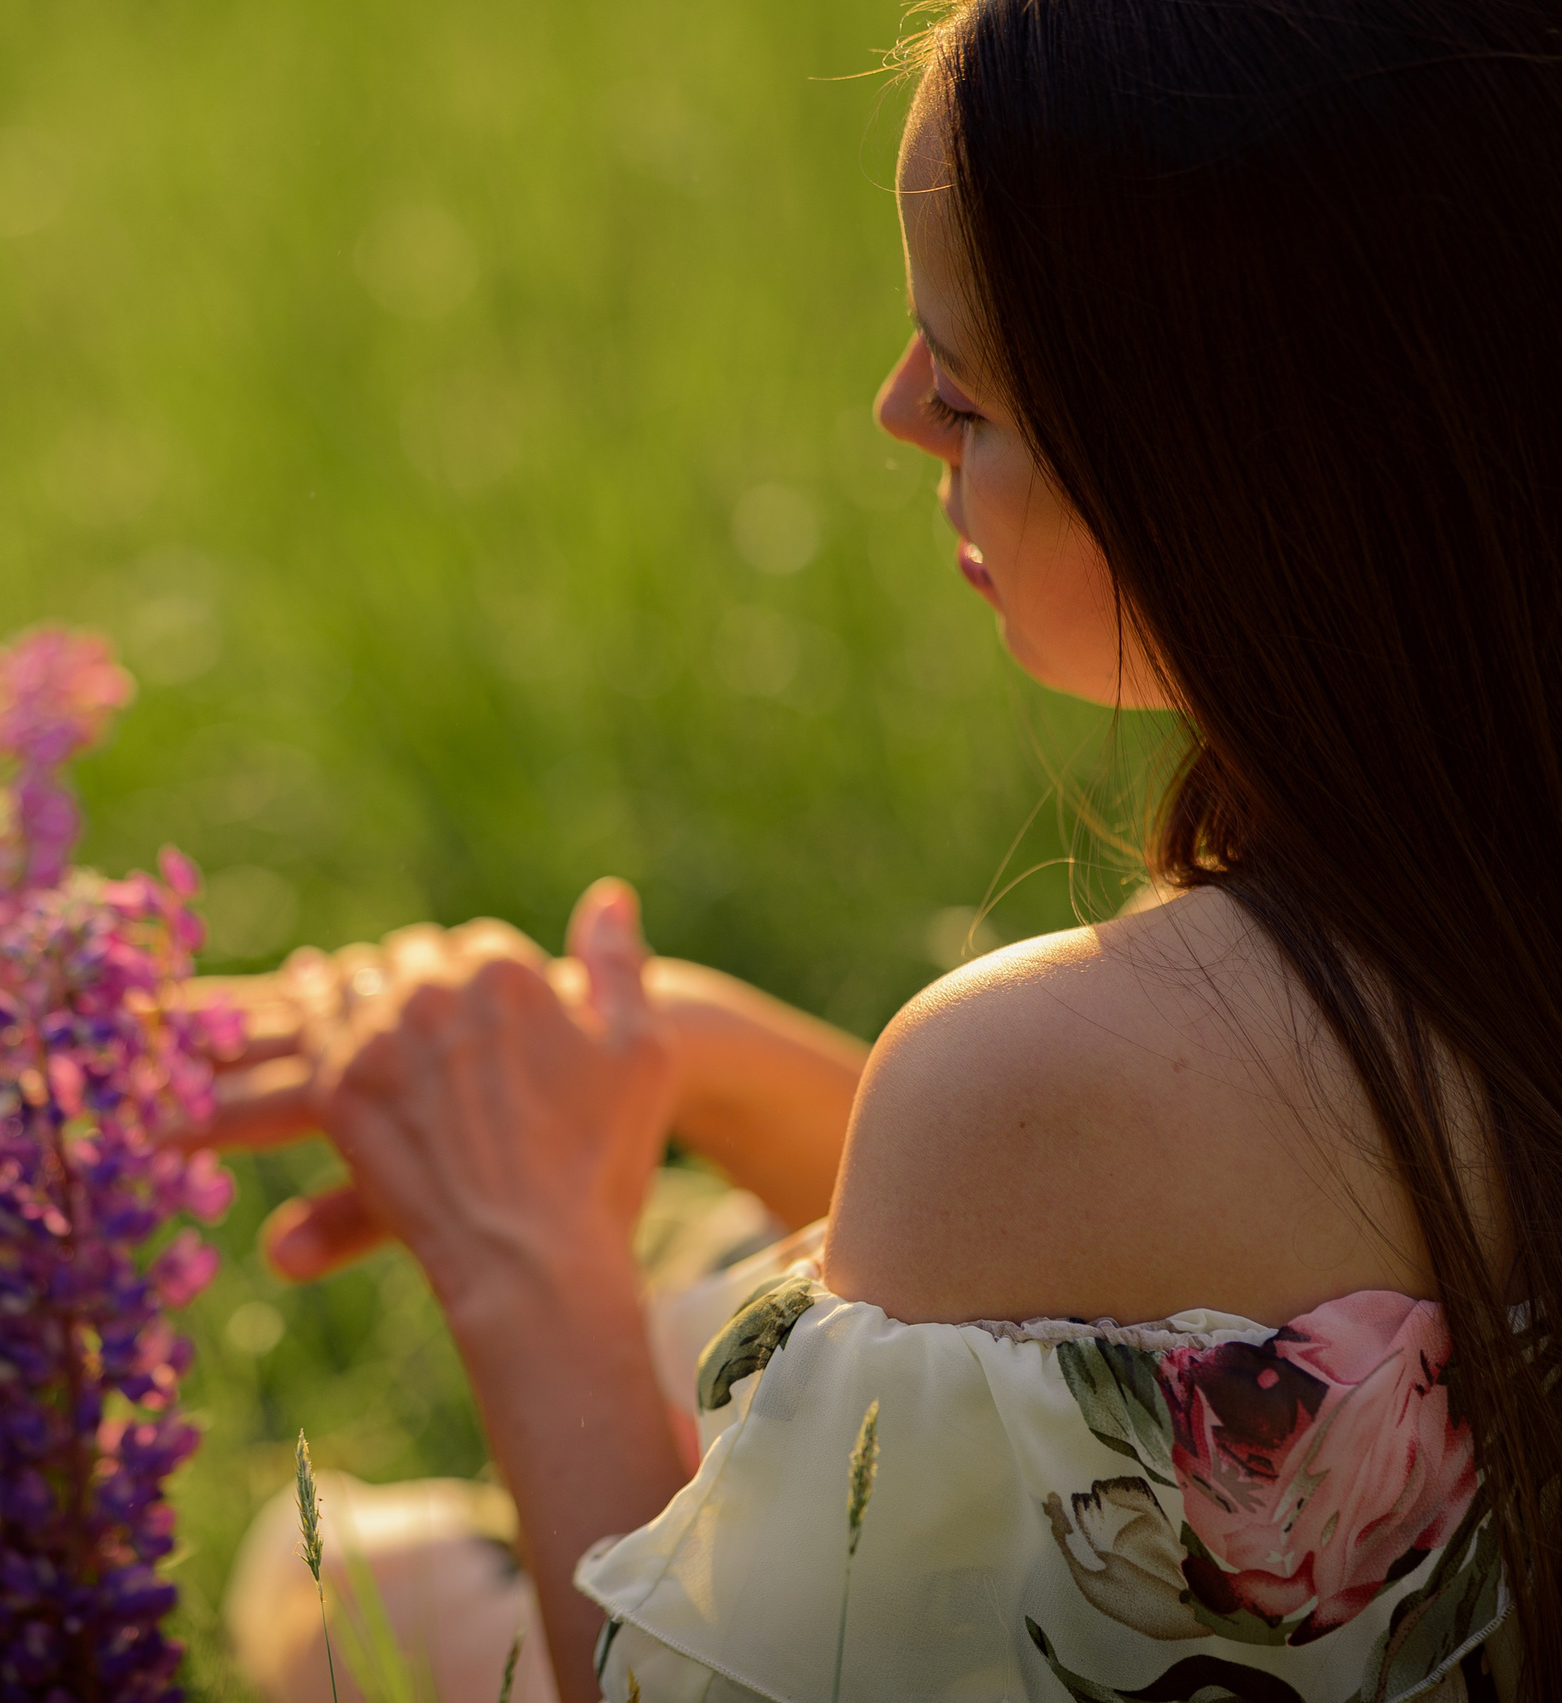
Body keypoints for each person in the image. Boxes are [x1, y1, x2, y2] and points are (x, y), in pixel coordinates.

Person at [190, 2, 1562, 1698]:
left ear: (1243, 464)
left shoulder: (1063, 1066)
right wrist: (705, 1054)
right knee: (713, 1304)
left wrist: (516, 1242)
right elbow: (1164, 1272)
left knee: (360, 1584)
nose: (901, 410)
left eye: (971, 388)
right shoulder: (1455, 912)